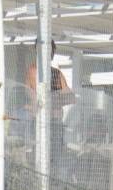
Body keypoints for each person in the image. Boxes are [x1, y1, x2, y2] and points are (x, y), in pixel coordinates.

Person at [25, 40, 76, 169]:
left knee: (56, 159)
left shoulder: (57, 73)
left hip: (55, 124)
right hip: (39, 123)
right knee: (40, 157)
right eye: (46, 50)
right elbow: (39, 100)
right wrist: (56, 98)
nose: (50, 54)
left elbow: (70, 97)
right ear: (38, 51)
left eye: (52, 50)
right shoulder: (34, 71)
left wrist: (53, 99)